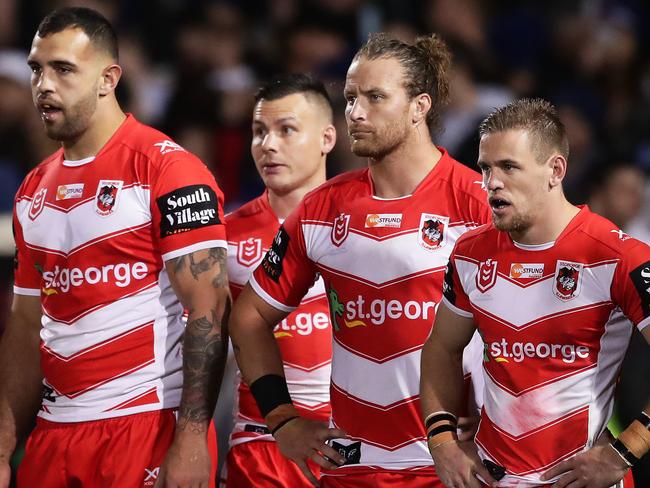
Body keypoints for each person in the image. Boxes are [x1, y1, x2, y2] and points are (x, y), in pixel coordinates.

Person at [229, 33, 490, 487]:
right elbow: (249, 316)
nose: (356, 112)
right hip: (353, 468)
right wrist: (283, 420)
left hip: (453, 467)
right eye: (350, 98)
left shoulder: (477, 203)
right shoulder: (321, 209)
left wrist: (494, 417)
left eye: (375, 97)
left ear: (419, 106)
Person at [0, 8, 229, 488]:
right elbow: (25, 327)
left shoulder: (168, 170)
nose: (44, 84)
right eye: (36, 69)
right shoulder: (31, 191)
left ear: (109, 79)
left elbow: (210, 307)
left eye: (63, 69)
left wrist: (190, 439)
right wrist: (3, 443)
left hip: (145, 427)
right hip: (55, 432)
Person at [420, 98, 649, 488]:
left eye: (509, 167)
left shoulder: (617, 255)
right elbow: (441, 347)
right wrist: (441, 444)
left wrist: (625, 450)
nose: (492, 183)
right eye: (485, 169)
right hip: (494, 478)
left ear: (555, 170)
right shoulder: (471, 253)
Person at [220, 74, 335, 487]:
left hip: (358, 446)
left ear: (327, 139)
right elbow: (198, 349)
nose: (268, 144)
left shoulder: (366, 225)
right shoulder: (224, 238)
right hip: (262, 446)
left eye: (286, 130)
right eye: (258, 132)